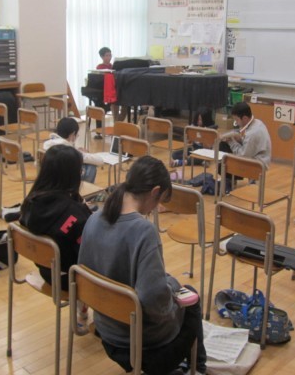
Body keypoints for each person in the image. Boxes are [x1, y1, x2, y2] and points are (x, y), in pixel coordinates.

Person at [78, 156, 207, 375]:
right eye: (159, 201)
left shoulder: (94, 218)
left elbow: (84, 274)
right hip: (141, 344)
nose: (156, 208)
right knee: (191, 298)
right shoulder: (144, 231)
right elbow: (154, 302)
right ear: (155, 192)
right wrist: (172, 289)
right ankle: (198, 368)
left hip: (106, 330)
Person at [20, 144, 93, 291]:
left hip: (47, 270)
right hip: (73, 279)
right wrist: (85, 212)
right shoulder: (75, 214)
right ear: (73, 175)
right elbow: (89, 252)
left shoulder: (30, 202)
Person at [43, 117, 103, 183]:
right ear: (72, 134)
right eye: (76, 134)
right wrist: (83, 153)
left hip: (50, 179)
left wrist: (77, 150)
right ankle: (86, 189)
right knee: (91, 167)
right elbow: (99, 161)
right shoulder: (68, 150)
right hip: (64, 181)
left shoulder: (47, 144)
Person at [221, 101, 271, 169]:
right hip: (260, 159)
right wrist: (240, 140)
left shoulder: (252, 133)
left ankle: (225, 175)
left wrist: (231, 142)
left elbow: (243, 156)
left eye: (237, 120)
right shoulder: (258, 122)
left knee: (224, 150)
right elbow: (251, 147)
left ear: (245, 118)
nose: (236, 123)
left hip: (257, 165)